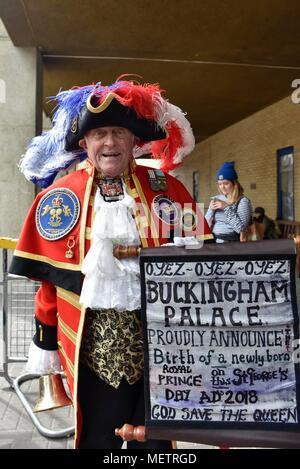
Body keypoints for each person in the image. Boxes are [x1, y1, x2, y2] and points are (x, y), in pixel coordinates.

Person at [9, 78, 212, 449]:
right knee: (96, 439)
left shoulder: (168, 190)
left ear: (135, 140)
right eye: (99, 133)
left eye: (118, 132)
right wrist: (45, 343)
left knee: (155, 443)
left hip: (162, 351)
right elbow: (50, 286)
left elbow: (202, 266)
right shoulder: (58, 197)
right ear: (84, 143)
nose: (109, 142)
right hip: (91, 354)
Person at [205, 161, 252, 242]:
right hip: (213, 239)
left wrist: (226, 207)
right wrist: (211, 210)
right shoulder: (217, 199)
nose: (222, 187)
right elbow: (205, 225)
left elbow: (241, 229)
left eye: (226, 183)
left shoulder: (243, 201)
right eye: (219, 184)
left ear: (234, 183)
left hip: (230, 242)